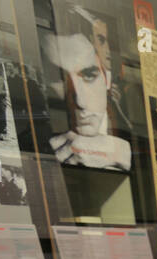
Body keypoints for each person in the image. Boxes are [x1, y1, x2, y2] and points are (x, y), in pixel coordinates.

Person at [40, 13, 131, 170]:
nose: (80, 101)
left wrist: (120, 153)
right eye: (60, 80)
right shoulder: (44, 143)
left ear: (107, 78)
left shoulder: (128, 124)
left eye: (89, 75)